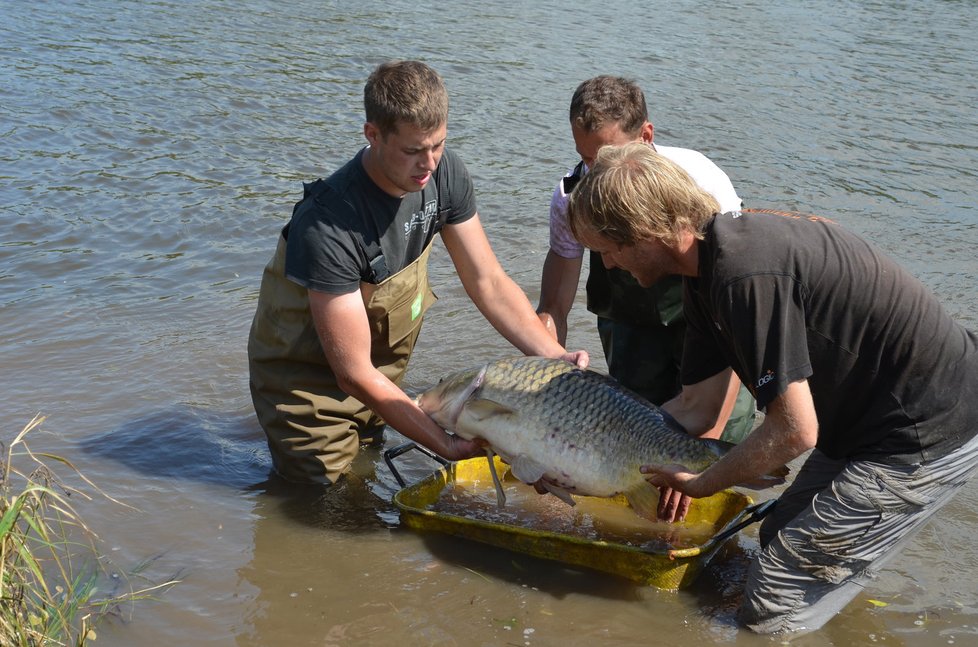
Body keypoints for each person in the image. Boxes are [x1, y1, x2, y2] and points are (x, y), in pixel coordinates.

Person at [566, 141, 978, 634]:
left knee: (774, 594)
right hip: (866, 422)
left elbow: (795, 431)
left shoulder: (745, 275)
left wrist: (702, 483)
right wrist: (575, 452)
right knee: (780, 535)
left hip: (926, 430)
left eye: (608, 250)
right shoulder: (704, 273)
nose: (608, 265)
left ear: (647, 232)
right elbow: (695, 408)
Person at [248, 60, 588, 485]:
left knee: (368, 481)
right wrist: (443, 445)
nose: (428, 164)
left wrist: (555, 358)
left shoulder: (444, 174)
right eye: (413, 151)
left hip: (378, 376)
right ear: (373, 135)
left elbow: (489, 282)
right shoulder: (327, 227)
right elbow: (351, 372)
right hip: (308, 387)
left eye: (438, 145)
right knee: (327, 508)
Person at [536, 76, 755, 451]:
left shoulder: (702, 184)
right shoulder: (571, 198)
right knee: (633, 444)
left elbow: (737, 315)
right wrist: (538, 389)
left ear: (647, 136)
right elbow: (554, 307)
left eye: (607, 157)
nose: (596, 175)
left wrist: (708, 441)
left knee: (723, 448)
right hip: (632, 333)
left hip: (712, 328)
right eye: (587, 159)